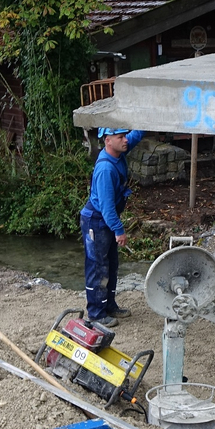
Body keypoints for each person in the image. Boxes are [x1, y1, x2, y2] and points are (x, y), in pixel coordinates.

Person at [81, 127, 144, 325]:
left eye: (125, 136)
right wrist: (119, 231)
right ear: (108, 140)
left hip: (105, 218)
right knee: (98, 267)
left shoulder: (119, 149)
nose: (126, 140)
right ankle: (96, 314)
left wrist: (145, 119)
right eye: (120, 137)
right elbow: (108, 209)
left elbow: (136, 135)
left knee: (111, 265)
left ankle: (109, 306)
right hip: (97, 220)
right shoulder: (106, 170)